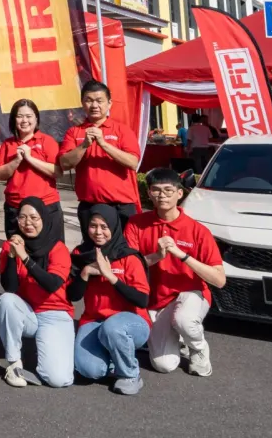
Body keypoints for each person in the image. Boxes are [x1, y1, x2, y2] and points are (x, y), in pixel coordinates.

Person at [124, 168, 226, 378]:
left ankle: (198, 349)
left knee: (184, 320)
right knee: (164, 365)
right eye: (156, 190)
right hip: (156, 300)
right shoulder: (136, 224)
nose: (162, 195)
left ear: (180, 194)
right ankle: (178, 338)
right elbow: (127, 266)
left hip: (191, 294)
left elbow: (219, 280)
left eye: (168, 190)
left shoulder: (198, 230)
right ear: (149, 193)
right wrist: (157, 256)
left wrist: (182, 256)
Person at [67, 203, 151, 395]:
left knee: (112, 328)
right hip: (94, 320)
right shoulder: (81, 255)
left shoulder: (129, 257)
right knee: (89, 370)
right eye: (93, 226)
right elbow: (73, 296)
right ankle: (114, 357)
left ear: (114, 227)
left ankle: (130, 373)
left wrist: (111, 277)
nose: (98, 232)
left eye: (104, 227)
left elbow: (142, 301)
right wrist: (86, 272)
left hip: (131, 322)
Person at [0, 197, 75, 388]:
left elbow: (51, 284)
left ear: (44, 219)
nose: (27, 223)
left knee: (58, 379)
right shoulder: (11, 245)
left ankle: (48, 351)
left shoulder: (58, 248)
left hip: (55, 313)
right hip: (28, 311)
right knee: (5, 301)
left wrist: (24, 256)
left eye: (33, 218)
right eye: (22, 218)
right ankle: (14, 363)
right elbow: (10, 288)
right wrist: (13, 257)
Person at [59, 80, 142, 233]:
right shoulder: (74, 132)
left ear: (109, 103)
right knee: (92, 252)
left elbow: (132, 162)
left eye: (99, 101)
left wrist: (104, 144)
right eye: (89, 101)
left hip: (121, 205)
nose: (94, 105)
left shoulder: (122, 130)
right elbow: (64, 164)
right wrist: (84, 145)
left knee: (124, 252)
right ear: (83, 104)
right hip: (90, 205)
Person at [0, 98, 65, 243]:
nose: (24, 120)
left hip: (46, 206)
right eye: (20, 116)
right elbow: (0, 174)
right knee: (18, 253)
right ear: (14, 120)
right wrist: (16, 160)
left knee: (52, 252)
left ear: (36, 118)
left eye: (29, 116)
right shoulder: (8, 144)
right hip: (15, 207)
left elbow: (57, 172)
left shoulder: (47, 141)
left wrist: (30, 158)